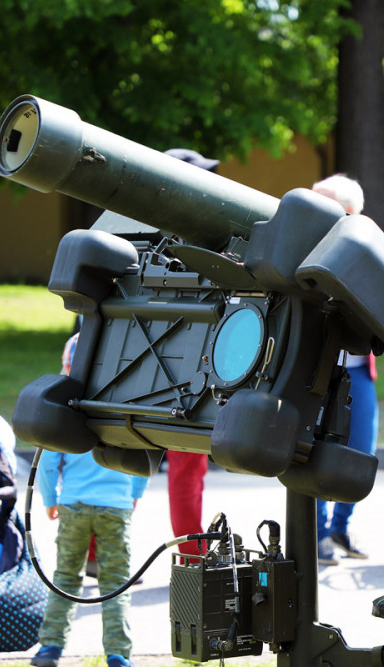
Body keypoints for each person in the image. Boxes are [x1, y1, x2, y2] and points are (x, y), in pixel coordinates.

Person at [31, 420, 148, 667]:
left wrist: (50, 498)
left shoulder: (71, 410)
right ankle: (118, 654)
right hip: (116, 504)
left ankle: (50, 648)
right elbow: (144, 452)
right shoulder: (124, 408)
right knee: (116, 582)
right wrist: (135, 493)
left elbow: (48, 458)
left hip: (74, 502)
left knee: (66, 577)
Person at [310, 174, 379, 566]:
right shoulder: (305, 248)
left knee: (361, 451)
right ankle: (318, 533)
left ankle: (340, 527)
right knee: (315, 450)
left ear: (350, 214)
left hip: (358, 372)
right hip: (317, 372)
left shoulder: (365, 252)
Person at [159, 148, 217, 556]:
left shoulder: (154, 231)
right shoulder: (182, 238)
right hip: (184, 361)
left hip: (169, 358)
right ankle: (192, 554)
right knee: (186, 461)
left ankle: (99, 554)